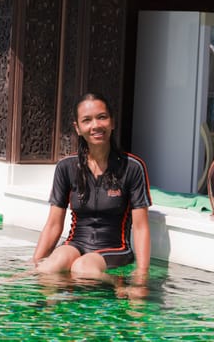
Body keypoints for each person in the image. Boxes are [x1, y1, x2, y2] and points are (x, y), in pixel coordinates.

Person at [31, 93, 152, 294]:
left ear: (112, 122)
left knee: (82, 268)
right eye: (87, 120)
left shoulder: (132, 167)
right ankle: (48, 317)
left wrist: (141, 276)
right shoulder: (66, 167)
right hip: (75, 243)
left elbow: (140, 227)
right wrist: (35, 263)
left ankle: (118, 285)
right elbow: (53, 224)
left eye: (102, 117)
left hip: (115, 247)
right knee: (50, 267)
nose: (95, 125)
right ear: (78, 128)